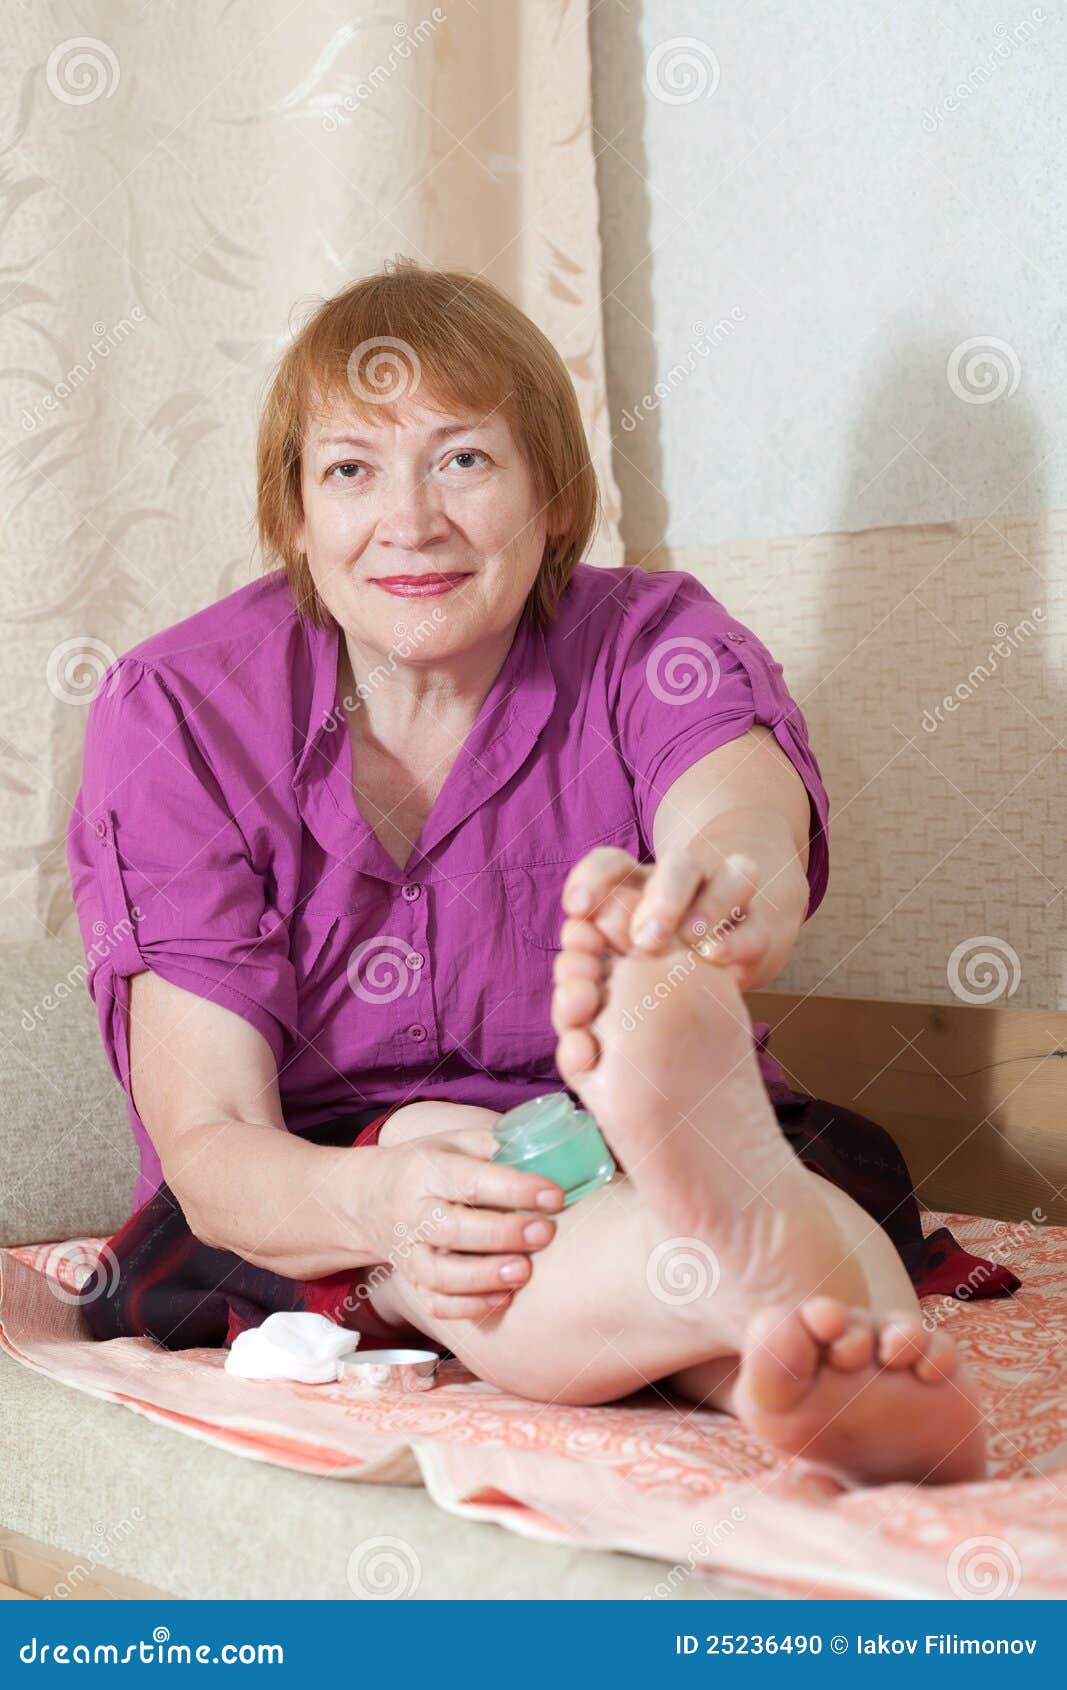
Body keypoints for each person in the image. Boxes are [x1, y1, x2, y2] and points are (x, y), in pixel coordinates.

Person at [68, 259, 1015, 1486]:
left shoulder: (648, 639)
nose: (410, 520)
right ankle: (761, 1294)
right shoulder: (181, 709)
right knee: (455, 1169)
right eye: (351, 470)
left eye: (462, 459)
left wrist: (703, 898)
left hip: (630, 1145)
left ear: (555, 497)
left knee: (657, 1184)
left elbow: (735, 813)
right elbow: (214, 1137)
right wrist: (387, 1201)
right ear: (293, 513)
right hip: (323, 1182)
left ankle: (765, 1318)